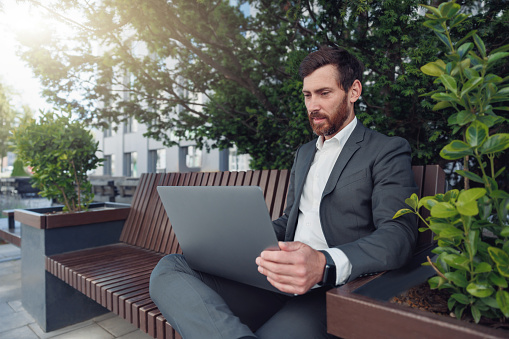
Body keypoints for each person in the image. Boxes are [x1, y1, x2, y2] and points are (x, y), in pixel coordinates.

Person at [149, 46, 418, 339]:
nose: (313, 105)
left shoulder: (385, 150)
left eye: (324, 93)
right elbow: (293, 219)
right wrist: (242, 239)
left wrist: (324, 265)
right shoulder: (304, 154)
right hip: (275, 280)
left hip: (327, 290)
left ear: (353, 91)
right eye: (307, 95)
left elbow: (398, 235)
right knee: (169, 268)